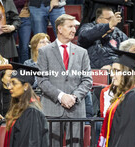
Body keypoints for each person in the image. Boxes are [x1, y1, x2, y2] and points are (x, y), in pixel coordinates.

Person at [37, 14, 92, 146]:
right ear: (60, 29)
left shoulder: (82, 52)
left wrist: (74, 97)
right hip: (52, 109)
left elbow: (87, 80)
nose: (74, 30)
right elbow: (42, 80)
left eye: (74, 27)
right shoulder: (44, 52)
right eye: (70, 26)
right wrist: (61, 97)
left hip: (76, 109)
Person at [97, 50, 135, 147]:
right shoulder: (126, 95)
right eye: (112, 70)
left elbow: (129, 137)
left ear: (128, 73)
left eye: (117, 71)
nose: (112, 75)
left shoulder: (134, 97)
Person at [4, 62, 49, 147]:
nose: (9, 87)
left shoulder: (31, 112)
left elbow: (30, 143)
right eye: (9, 83)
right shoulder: (21, 108)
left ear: (25, 86)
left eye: (14, 83)